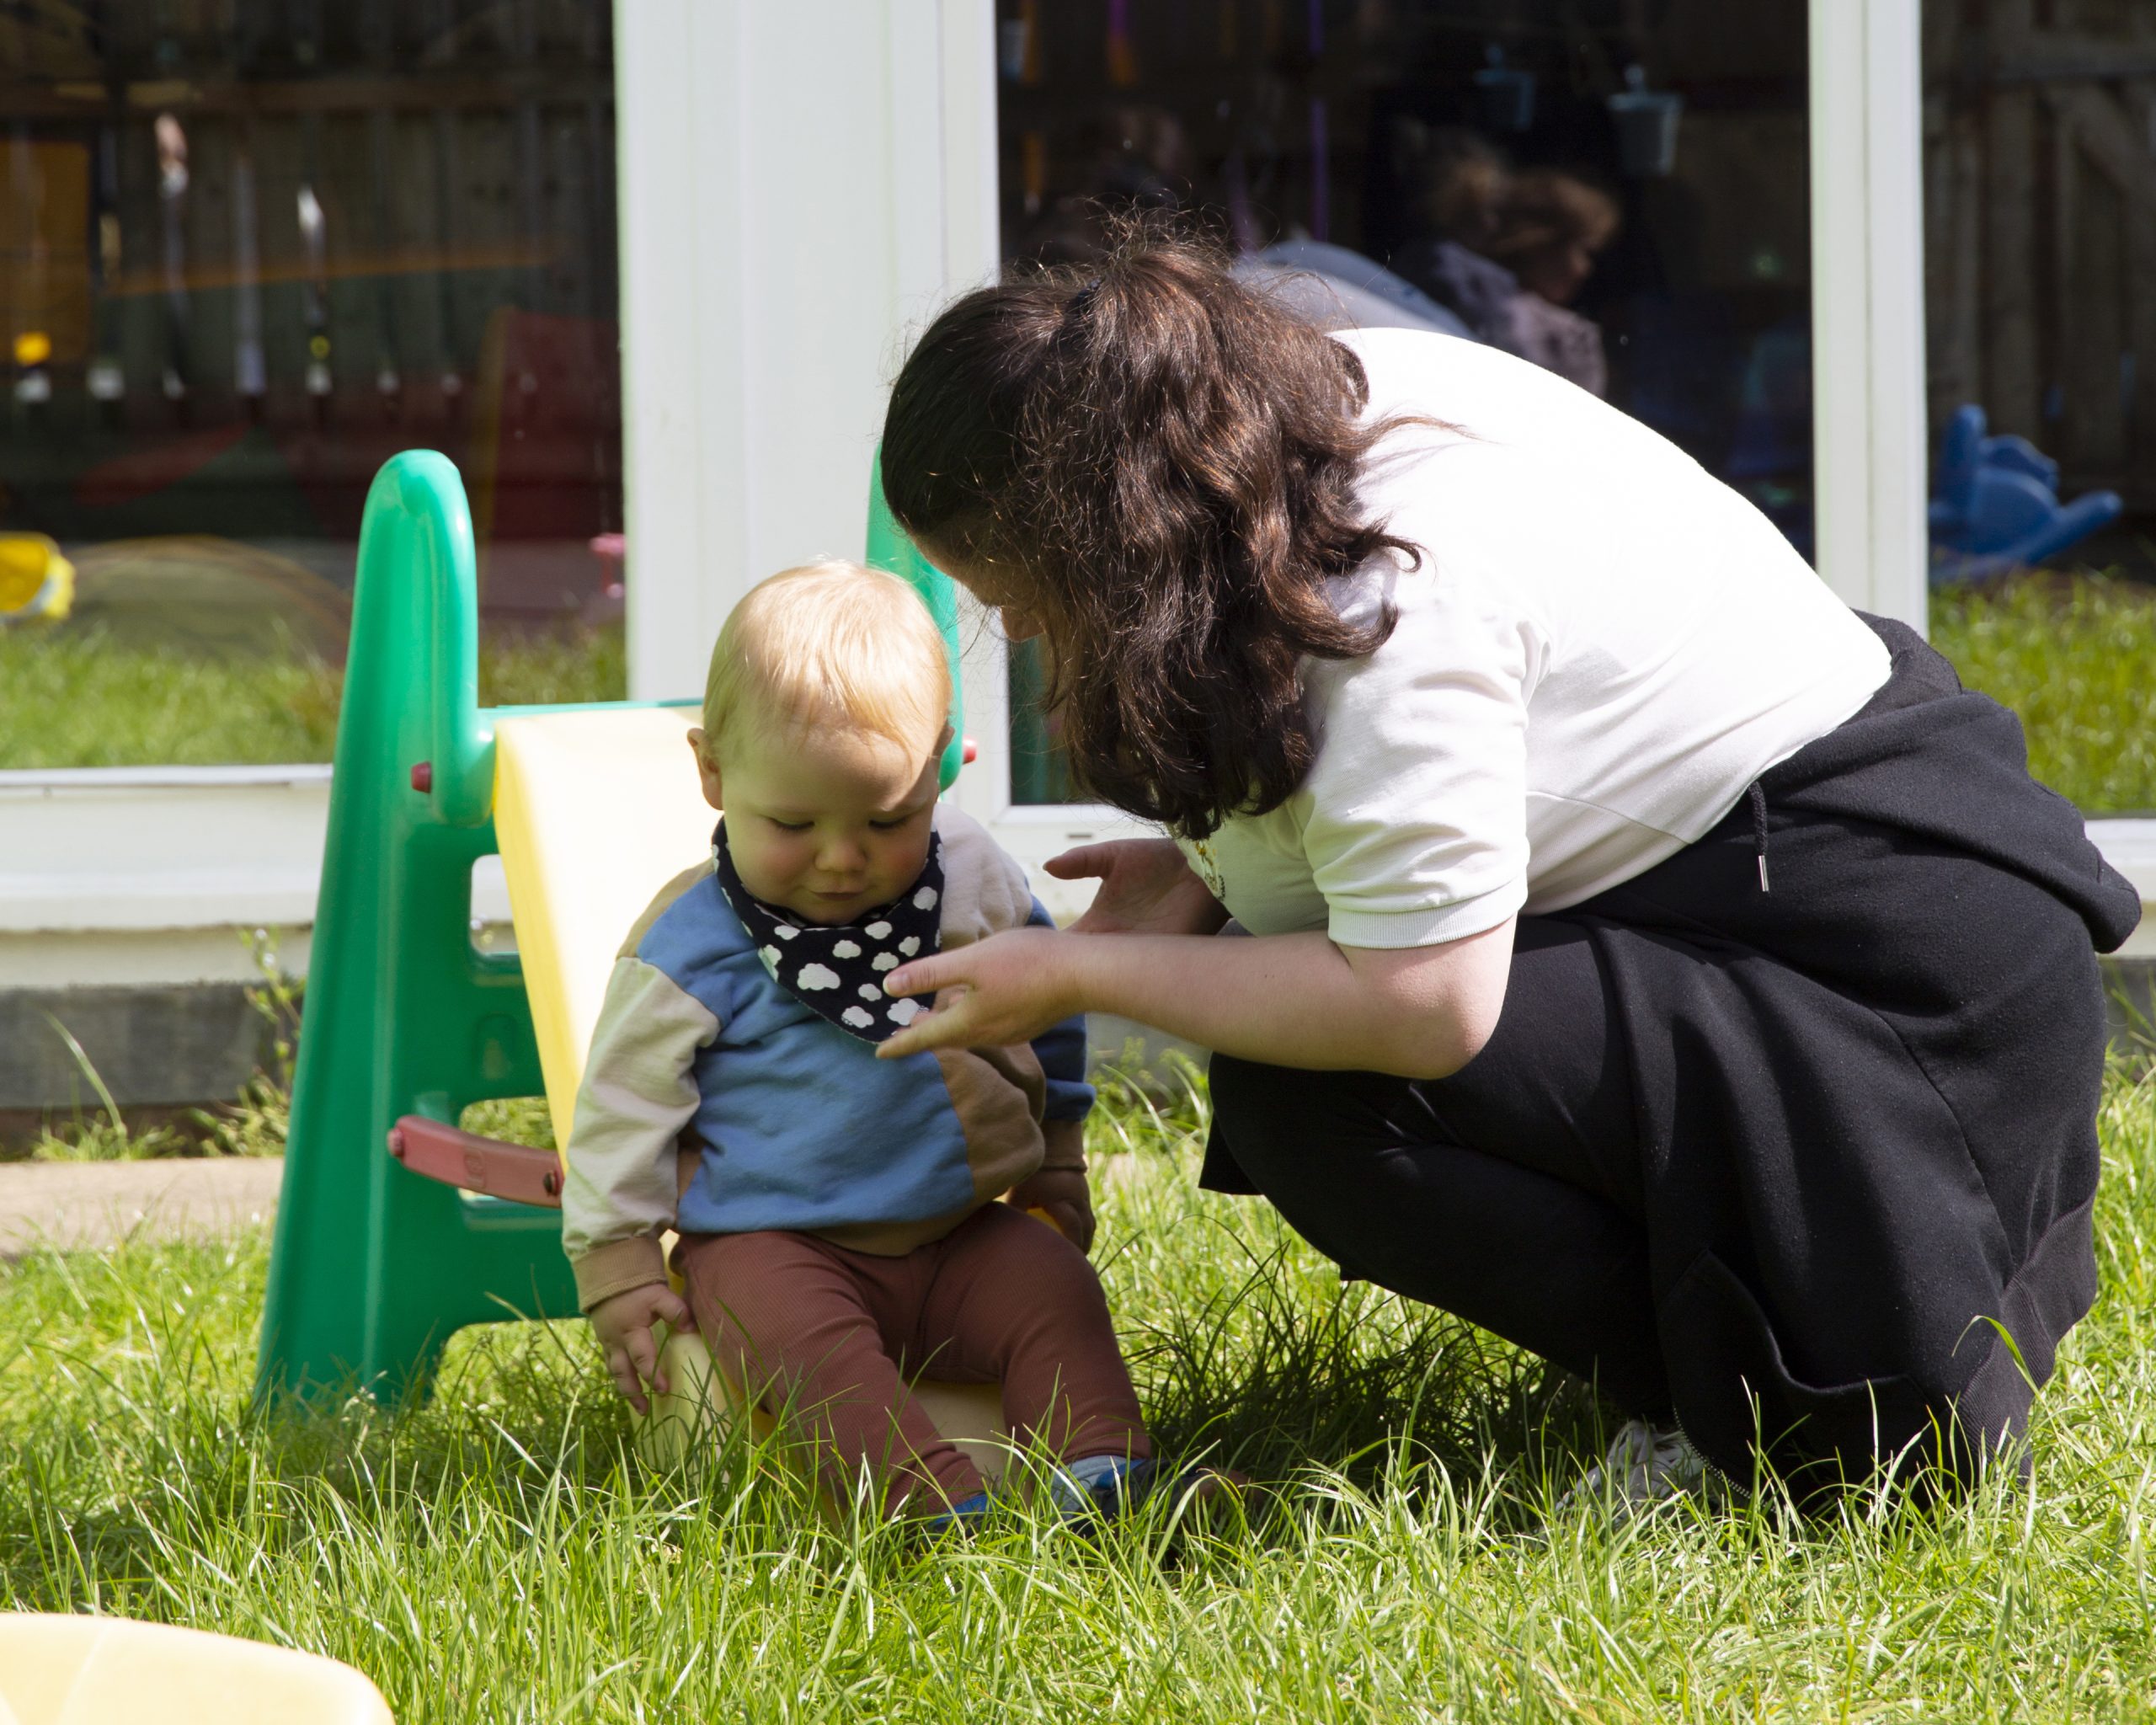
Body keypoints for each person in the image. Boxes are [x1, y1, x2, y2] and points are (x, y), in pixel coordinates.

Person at [868, 232, 2141, 1507]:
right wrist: (1201, 877)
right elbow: (1461, 774)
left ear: (1107, 534)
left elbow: (1423, 1001)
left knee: (1316, 1099)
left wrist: (1087, 977)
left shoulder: (1391, 599)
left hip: (1882, 975)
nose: (1024, 627)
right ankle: (1707, 1323)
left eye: (1021, 588)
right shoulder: (1276, 419)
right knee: (1292, 1020)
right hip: (1826, 877)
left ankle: (1748, 1416)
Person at [560, 561, 1162, 1528]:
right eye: (791, 822)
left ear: (945, 764)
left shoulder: (972, 877)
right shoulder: (689, 942)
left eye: (888, 819)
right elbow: (621, 1111)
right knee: (794, 1337)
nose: (841, 859)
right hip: (774, 1239)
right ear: (712, 771)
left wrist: (1054, 1157)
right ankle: (921, 1503)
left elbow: (1050, 1007)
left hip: (960, 1229)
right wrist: (618, 1269)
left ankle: (1104, 1475)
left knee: (1055, 1287)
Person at [1388, 126, 1619, 396]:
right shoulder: (1563, 341)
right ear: (1539, 242)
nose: (1587, 270)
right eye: (1585, 251)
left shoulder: (1421, 275)